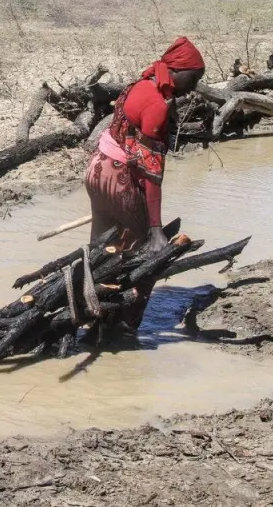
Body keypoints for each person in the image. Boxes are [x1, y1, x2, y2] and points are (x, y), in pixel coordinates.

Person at [84, 36, 205, 343]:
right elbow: (152, 172)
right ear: (178, 71)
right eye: (195, 76)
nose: (197, 84)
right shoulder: (157, 104)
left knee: (101, 252)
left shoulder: (142, 83)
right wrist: (154, 229)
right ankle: (123, 330)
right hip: (120, 179)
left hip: (97, 170)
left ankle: (91, 322)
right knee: (146, 260)